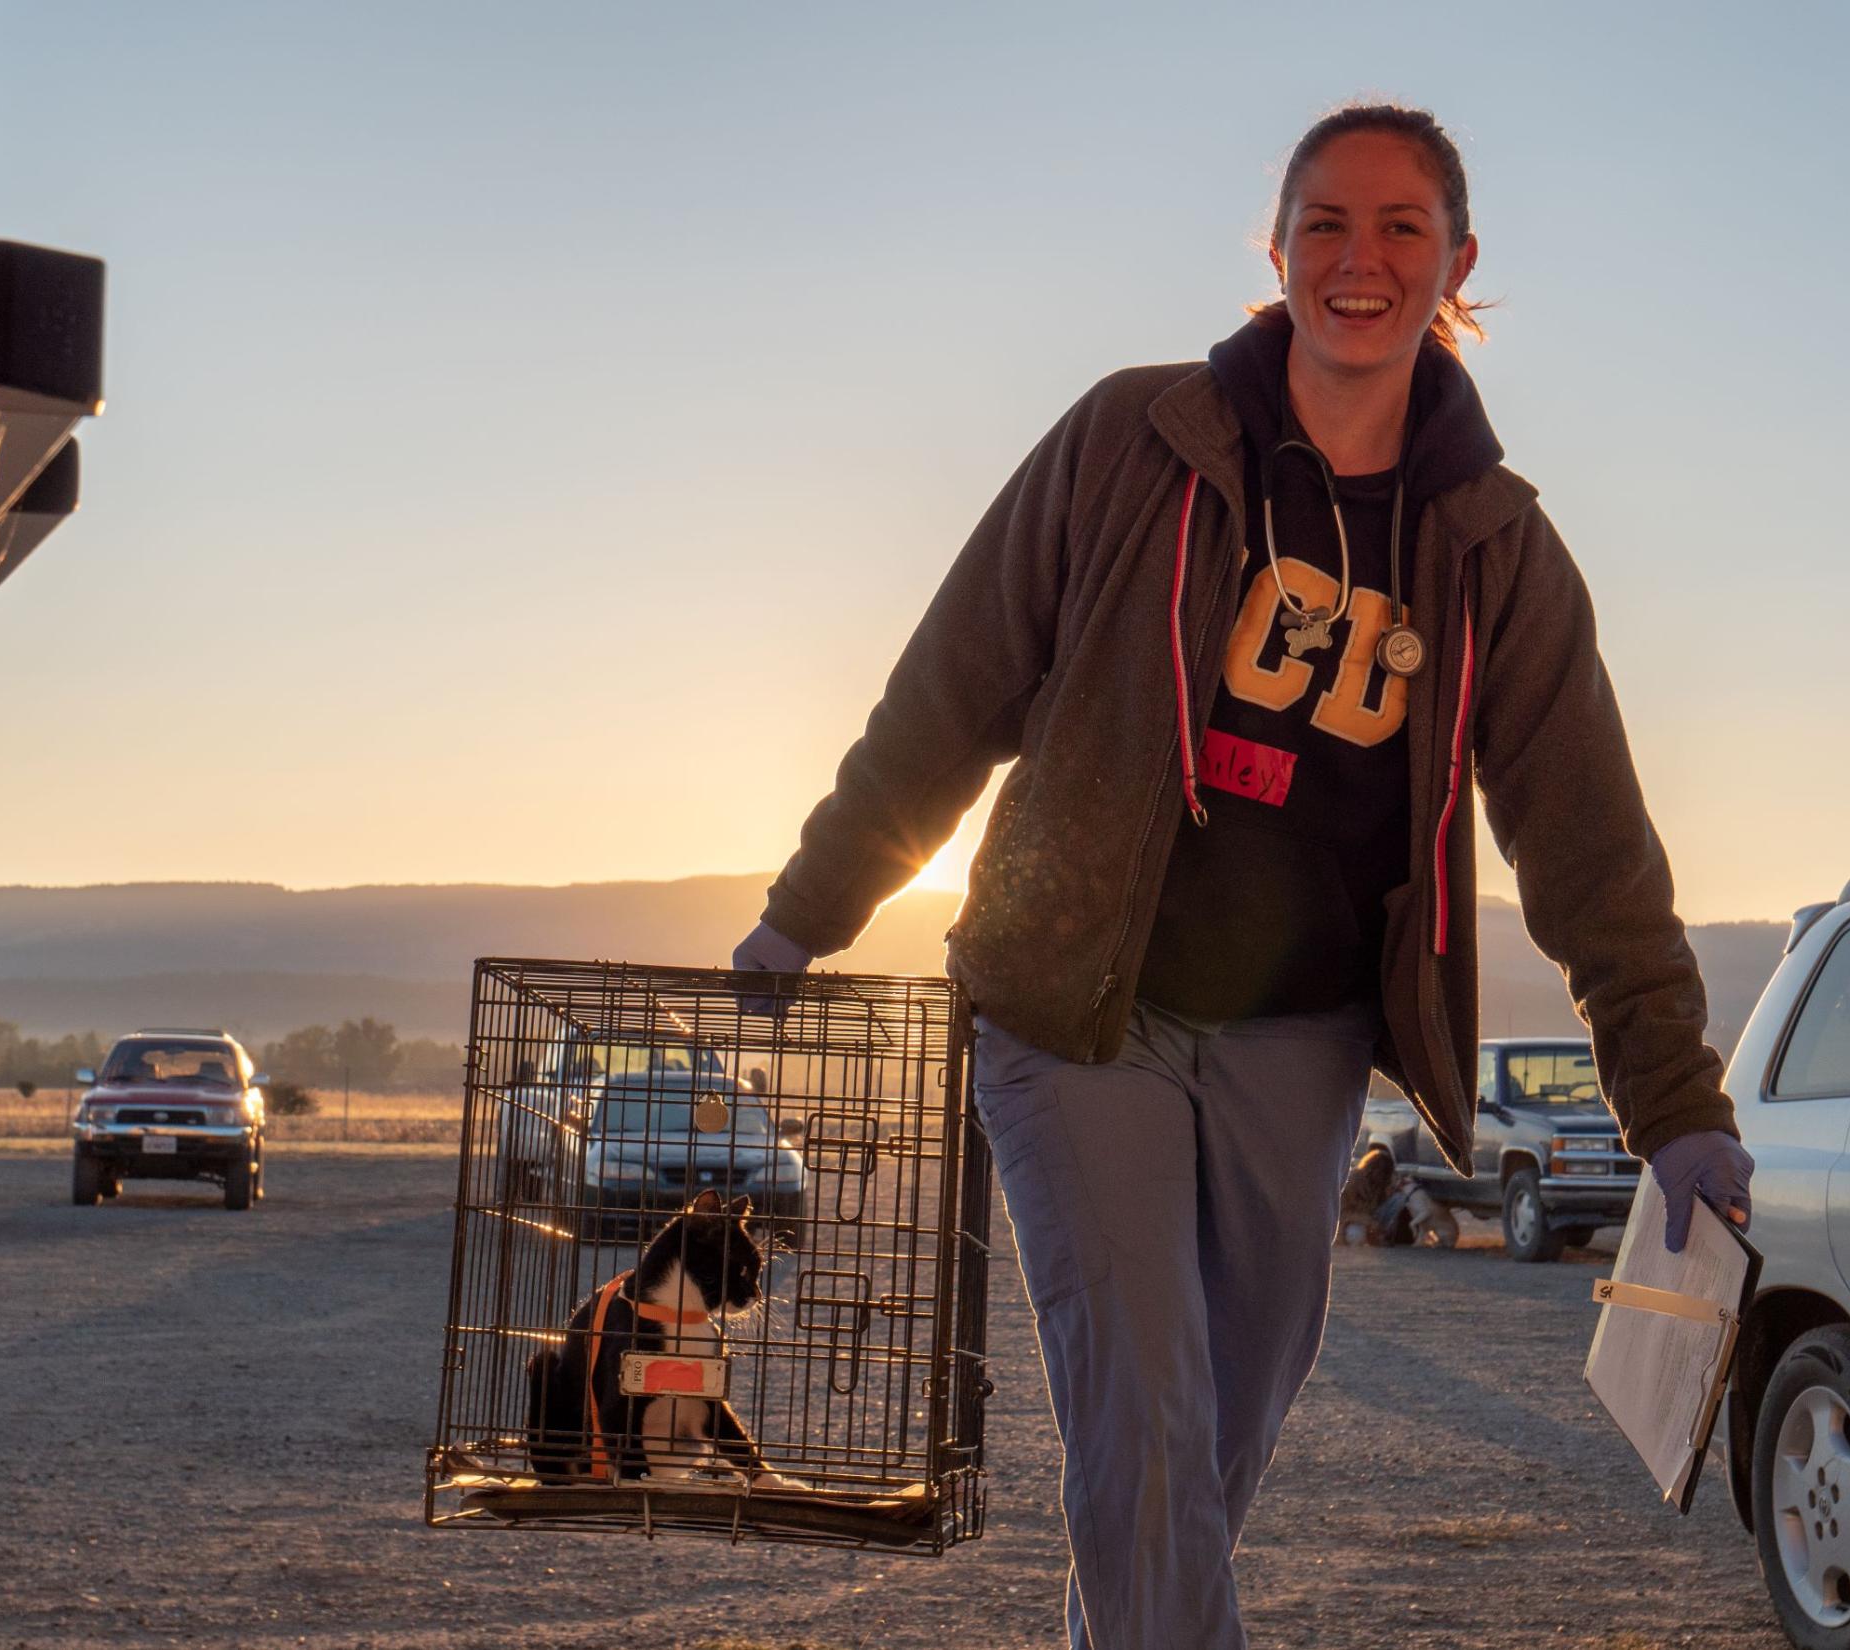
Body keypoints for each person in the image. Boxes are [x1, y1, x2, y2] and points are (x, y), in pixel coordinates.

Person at [731, 103, 1753, 1650]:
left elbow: (1595, 851)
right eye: (1326, 224)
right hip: (1079, 1007)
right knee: (1141, 1413)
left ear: (1456, 262)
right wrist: (808, 908)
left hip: (1304, 1035)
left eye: (1402, 227)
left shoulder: (1493, 548)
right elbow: (951, 689)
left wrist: (1674, 1108)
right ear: (1275, 250)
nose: (1361, 259)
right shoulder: (1134, 443)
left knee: (1213, 1439)